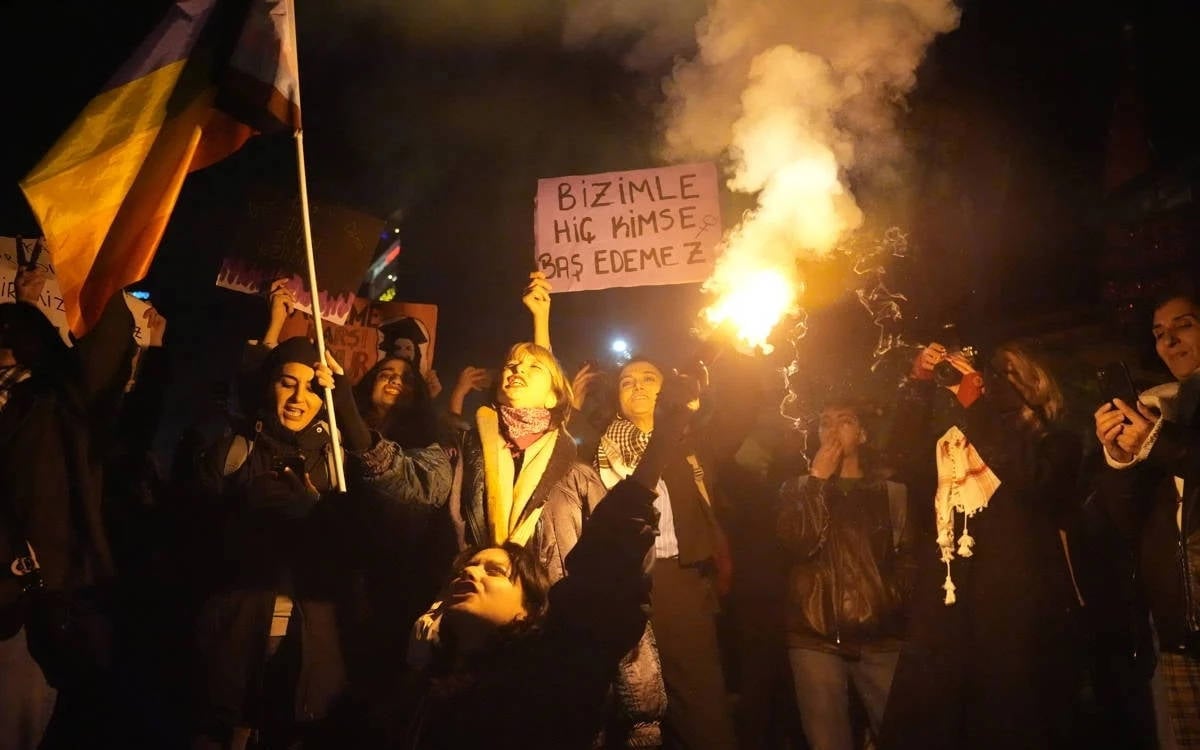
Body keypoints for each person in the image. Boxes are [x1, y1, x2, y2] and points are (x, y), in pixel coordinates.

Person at [361, 371, 698, 749]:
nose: (470, 572)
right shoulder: (424, 690)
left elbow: (607, 559)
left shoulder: (552, 674)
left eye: (494, 570)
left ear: (529, 608)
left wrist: (662, 443)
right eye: (467, 568)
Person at [877, 340, 1083, 750]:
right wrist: (919, 383)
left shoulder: (1056, 444)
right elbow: (899, 455)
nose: (988, 381)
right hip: (949, 616)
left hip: (1013, 620)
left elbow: (1024, 476)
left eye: (1003, 373)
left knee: (1010, 724)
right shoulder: (956, 445)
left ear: (1035, 385)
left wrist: (978, 407)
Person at [186, 336, 348, 750]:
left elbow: (357, 558)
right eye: (286, 382)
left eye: (313, 387)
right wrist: (244, 511)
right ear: (269, 386)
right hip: (233, 645)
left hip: (306, 659)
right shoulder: (233, 450)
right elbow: (191, 542)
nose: (299, 397)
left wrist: (314, 513)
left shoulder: (340, 463)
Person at [595, 354, 737, 750]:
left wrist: (730, 360)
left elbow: (741, 412)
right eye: (626, 381)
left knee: (699, 699)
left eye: (648, 378)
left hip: (677, 580)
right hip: (617, 584)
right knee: (623, 702)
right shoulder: (598, 448)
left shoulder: (691, 443)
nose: (637, 385)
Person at [1093, 287, 1200, 747]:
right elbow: (1126, 520)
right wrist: (1119, 455)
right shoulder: (1164, 406)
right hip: (1179, 623)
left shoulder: (1167, 423)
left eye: (1185, 326)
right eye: (1159, 334)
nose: (1170, 342)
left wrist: (1158, 443)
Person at [777, 397, 914, 750]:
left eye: (845, 421)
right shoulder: (795, 489)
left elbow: (908, 560)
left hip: (880, 634)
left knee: (900, 731)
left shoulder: (892, 493)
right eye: (824, 422)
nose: (833, 429)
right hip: (814, 635)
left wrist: (892, 603)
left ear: (864, 434)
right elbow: (798, 544)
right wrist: (817, 481)